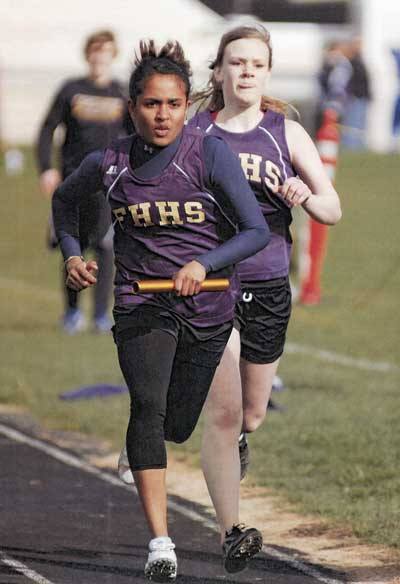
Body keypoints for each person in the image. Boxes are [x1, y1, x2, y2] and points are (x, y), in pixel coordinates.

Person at [52, 40, 270, 582]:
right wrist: (74, 255)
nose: (163, 114)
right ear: (132, 108)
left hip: (209, 305)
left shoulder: (210, 154)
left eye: (173, 104)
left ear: (185, 105)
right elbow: (64, 203)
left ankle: (141, 449)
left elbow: (255, 230)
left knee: (176, 424)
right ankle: (160, 543)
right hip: (140, 303)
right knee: (147, 406)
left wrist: (204, 262)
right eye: (151, 104)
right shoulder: (110, 162)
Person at [186, 24, 342, 553]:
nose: (246, 71)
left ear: (267, 72)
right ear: (220, 70)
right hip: (210, 286)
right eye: (237, 62)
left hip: (268, 286)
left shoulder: (285, 133)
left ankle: (241, 438)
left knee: (251, 413)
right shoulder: (196, 131)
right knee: (225, 412)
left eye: (256, 63)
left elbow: (333, 209)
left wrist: (303, 194)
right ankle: (231, 531)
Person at [36, 29, 132, 334]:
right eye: (95, 50)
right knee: (72, 247)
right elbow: (46, 129)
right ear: (88, 54)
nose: (99, 57)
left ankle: (102, 315)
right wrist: (46, 169)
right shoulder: (71, 90)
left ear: (112, 55)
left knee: (105, 247)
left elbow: (135, 136)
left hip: (107, 184)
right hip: (73, 183)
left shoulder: (120, 94)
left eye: (105, 51)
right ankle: (72, 313)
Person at [341, 36, 372, 150]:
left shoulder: (359, 60)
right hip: (355, 96)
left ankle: (357, 145)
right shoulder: (351, 62)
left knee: (359, 122)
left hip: (362, 96)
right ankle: (351, 145)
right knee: (352, 122)